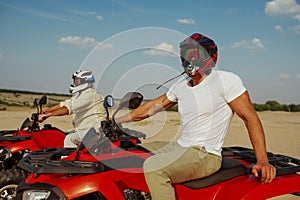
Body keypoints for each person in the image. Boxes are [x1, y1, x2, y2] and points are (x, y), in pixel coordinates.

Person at [116, 33, 276, 200]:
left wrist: (262, 161)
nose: (189, 59)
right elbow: (152, 107)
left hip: (205, 154)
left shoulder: (225, 81)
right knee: (135, 152)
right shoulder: (181, 84)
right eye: (186, 54)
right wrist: (117, 121)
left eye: (195, 54)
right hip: (179, 146)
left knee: (155, 168)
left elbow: (250, 117)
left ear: (209, 56)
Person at [38, 70, 106, 147]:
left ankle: (68, 159)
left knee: (69, 138)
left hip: (94, 131)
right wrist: (45, 111)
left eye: (77, 81)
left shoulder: (90, 94)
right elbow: (64, 104)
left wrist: (48, 115)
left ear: (85, 81)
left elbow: (67, 109)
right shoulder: (83, 94)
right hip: (86, 129)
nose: (75, 83)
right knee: (62, 134)